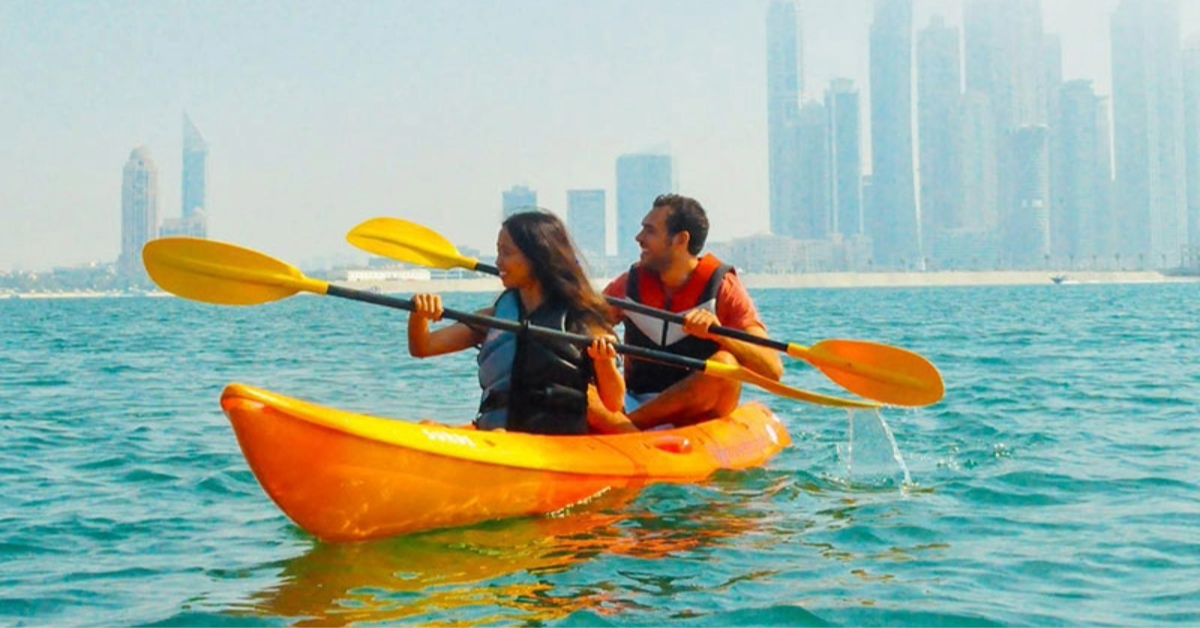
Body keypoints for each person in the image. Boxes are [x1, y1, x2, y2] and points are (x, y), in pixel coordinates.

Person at [407, 210, 624, 435]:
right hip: (497, 434)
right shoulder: (495, 317)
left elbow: (614, 403)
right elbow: (423, 347)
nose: (498, 262)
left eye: (507, 252)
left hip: (554, 439)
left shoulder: (584, 321)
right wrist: (419, 315)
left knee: (498, 435)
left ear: (538, 256)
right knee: (427, 427)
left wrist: (604, 362)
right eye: (498, 252)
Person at [594, 194, 783, 432]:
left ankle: (625, 428)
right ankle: (625, 426)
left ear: (681, 239)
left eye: (650, 231)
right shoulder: (629, 284)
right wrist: (602, 341)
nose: (639, 238)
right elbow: (585, 323)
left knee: (725, 365)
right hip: (634, 400)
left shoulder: (724, 288)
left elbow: (772, 369)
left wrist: (719, 335)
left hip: (696, 412)